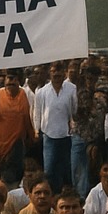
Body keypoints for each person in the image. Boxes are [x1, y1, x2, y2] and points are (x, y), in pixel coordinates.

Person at [33, 63, 76, 198]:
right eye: (53, 72)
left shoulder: (71, 89)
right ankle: (51, 198)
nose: (56, 75)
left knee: (67, 169)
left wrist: (72, 123)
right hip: (49, 135)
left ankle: (68, 196)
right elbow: (37, 112)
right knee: (50, 170)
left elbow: (74, 109)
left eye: (59, 72)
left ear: (64, 73)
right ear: (50, 73)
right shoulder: (42, 92)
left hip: (66, 135)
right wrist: (36, 129)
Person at [0, 70, 35, 185]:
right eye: (9, 79)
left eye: (14, 79)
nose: (11, 82)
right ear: (4, 81)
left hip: (17, 142)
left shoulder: (23, 95)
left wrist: (32, 136)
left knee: (12, 177)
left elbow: (26, 117)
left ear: (19, 82)